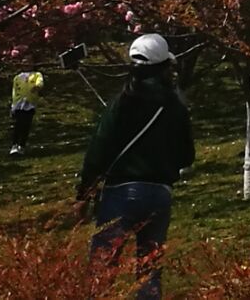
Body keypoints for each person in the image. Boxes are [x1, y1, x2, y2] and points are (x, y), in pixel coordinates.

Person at [77, 34, 195, 300]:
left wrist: (84, 190)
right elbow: (187, 155)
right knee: (149, 269)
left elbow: (99, 148)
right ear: (165, 66)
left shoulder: (122, 101)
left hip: (120, 192)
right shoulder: (175, 106)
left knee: (103, 267)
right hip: (159, 194)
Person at [9, 69, 44, 155]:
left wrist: (37, 86)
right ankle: (14, 145)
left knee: (26, 125)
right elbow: (14, 91)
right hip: (19, 104)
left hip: (30, 104)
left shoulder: (36, 74)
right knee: (18, 124)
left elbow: (40, 83)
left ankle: (22, 145)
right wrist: (13, 105)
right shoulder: (17, 77)